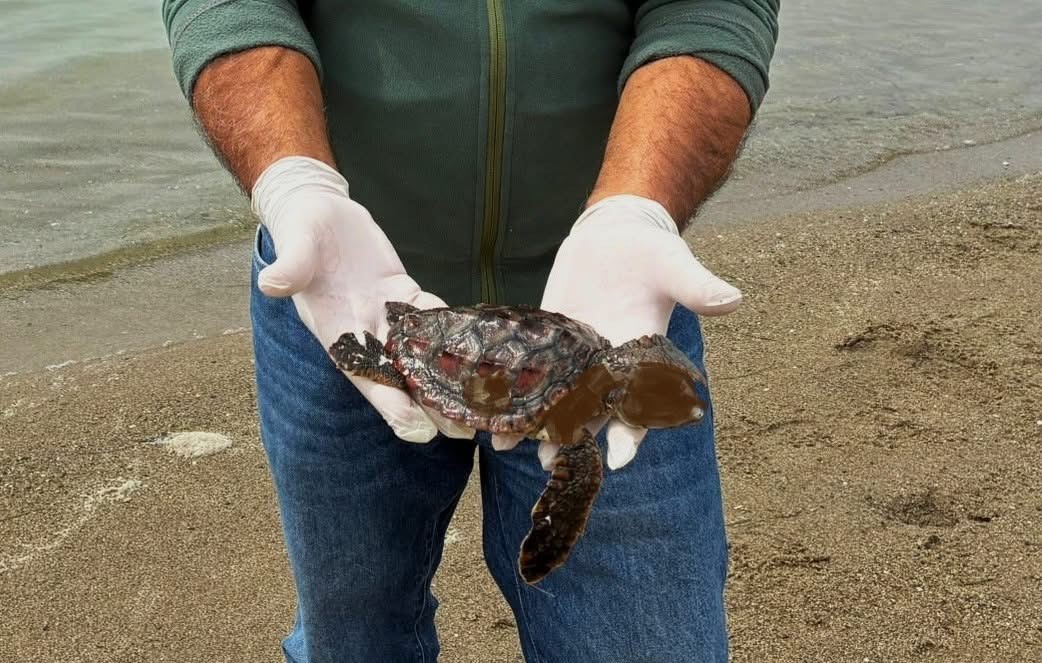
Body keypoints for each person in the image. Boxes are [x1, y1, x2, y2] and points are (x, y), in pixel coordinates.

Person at [162, 1, 779, 660]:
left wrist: (638, 210)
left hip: (616, 284)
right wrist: (294, 183)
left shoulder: (612, 347)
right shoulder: (593, 370)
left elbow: (708, 10)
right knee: (352, 635)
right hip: (341, 279)